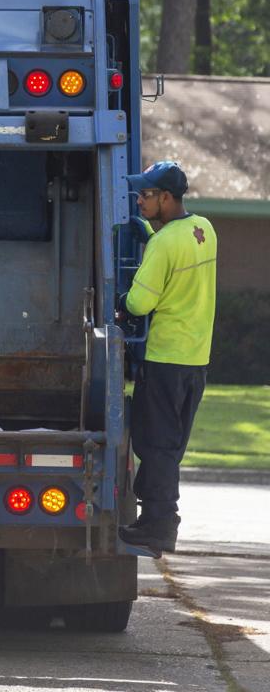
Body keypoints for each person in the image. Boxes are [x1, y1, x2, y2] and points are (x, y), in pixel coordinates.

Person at [116, 162, 217, 557]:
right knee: (170, 446)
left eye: (146, 195)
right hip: (195, 358)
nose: (140, 200)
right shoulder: (205, 230)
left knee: (154, 444)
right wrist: (150, 235)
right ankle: (157, 521)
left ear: (167, 198)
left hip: (165, 357)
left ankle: (158, 527)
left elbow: (141, 301)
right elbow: (180, 266)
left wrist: (123, 304)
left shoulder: (164, 244)